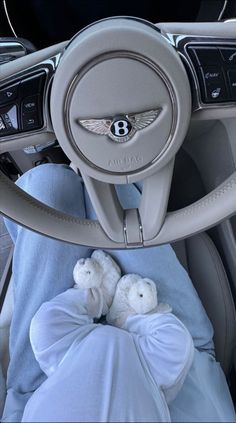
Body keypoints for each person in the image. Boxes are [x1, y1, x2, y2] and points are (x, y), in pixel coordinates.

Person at [1, 163, 236, 422]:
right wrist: (128, 313)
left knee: (47, 188)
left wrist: (94, 295)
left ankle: (80, 162)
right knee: (111, 179)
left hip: (43, 386)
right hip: (175, 362)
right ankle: (90, 160)